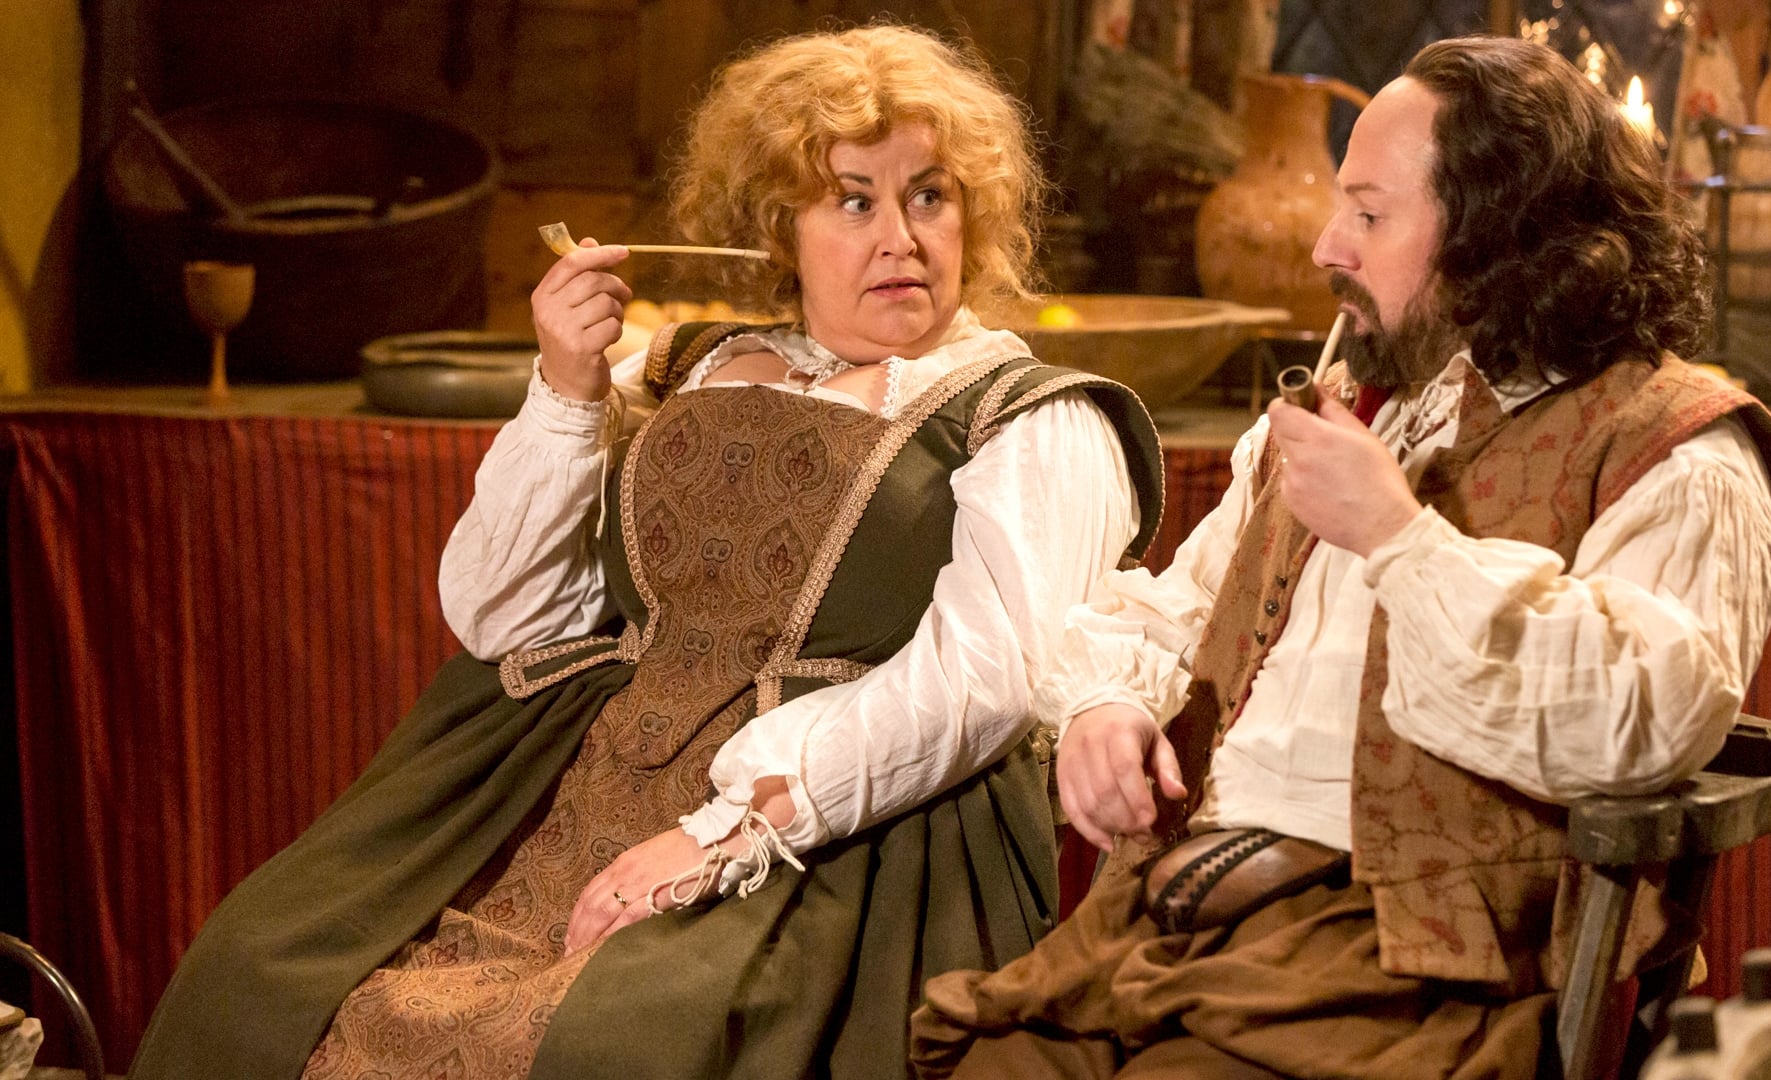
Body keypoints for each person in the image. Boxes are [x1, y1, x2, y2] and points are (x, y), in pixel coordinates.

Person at [128, 25, 1162, 1080]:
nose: (901, 238)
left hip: (836, 829)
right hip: (569, 782)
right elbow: (502, 616)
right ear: (781, 227)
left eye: (930, 196)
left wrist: (718, 835)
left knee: (614, 1047)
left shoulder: (1033, 417)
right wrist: (567, 390)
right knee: (258, 975)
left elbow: (980, 686)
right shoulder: (686, 366)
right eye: (854, 201)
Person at [911, 35, 1771, 1080]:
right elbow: (1175, 611)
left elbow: (1637, 718)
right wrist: (1106, 707)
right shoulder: (1360, 403)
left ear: (1502, 238)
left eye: (1370, 216)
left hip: (1414, 978)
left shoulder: (1676, 448)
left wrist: (1398, 538)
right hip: (1179, 931)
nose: (1327, 247)